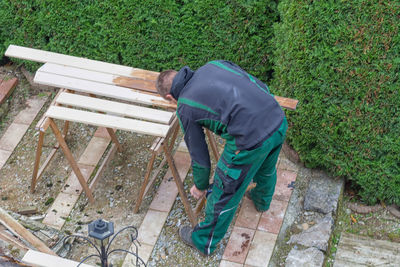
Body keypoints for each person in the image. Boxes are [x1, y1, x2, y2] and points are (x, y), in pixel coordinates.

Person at [156, 60, 288, 256]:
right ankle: (261, 201)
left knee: (224, 189)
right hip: (277, 117)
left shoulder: (185, 106)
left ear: (169, 97)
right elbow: (258, 84)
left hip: (249, 140)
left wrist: (200, 185)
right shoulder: (213, 65)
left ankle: (203, 242)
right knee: (265, 167)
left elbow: (199, 157)